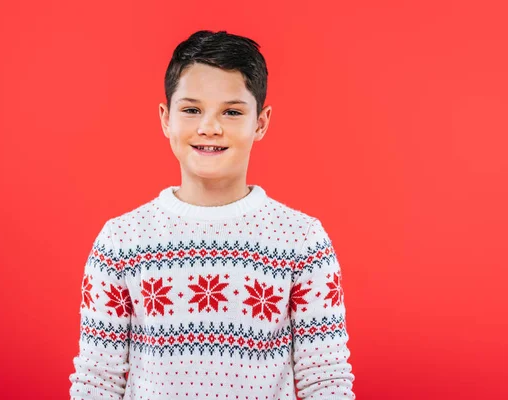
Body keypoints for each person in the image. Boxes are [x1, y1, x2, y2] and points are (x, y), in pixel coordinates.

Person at [69, 30, 356, 400]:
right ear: (165, 119)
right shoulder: (121, 241)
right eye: (191, 110)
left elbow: (326, 380)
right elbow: (98, 382)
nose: (210, 127)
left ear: (261, 122)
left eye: (232, 112)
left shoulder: (302, 240)